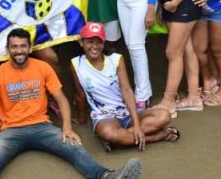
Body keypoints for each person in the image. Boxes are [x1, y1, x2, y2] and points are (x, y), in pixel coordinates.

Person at [0, 28, 142, 179]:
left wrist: (67, 128)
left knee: (73, 147)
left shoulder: (43, 68)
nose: (19, 51)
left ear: (30, 48)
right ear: (8, 50)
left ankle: (106, 176)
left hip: (41, 127)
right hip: (10, 130)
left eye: (23, 46)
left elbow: (61, 99)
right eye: (14, 47)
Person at [71, 22, 179, 152]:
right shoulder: (76, 63)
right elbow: (80, 94)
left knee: (164, 116)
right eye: (90, 42)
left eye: (98, 42)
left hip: (125, 113)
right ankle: (159, 136)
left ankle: (121, 139)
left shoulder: (116, 59)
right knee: (109, 133)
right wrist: (81, 118)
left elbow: (126, 90)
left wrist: (137, 125)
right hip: (104, 117)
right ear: (81, 42)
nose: (95, 46)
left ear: (104, 43)